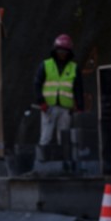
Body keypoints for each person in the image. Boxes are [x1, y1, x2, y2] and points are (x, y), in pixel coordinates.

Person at [33, 34, 80, 166]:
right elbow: (37, 83)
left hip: (66, 109)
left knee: (64, 138)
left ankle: (64, 164)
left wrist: (78, 105)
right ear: (55, 51)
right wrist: (41, 102)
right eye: (60, 51)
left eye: (65, 52)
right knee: (45, 137)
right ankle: (41, 163)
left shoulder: (73, 67)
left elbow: (78, 88)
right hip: (49, 107)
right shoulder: (46, 65)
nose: (62, 54)